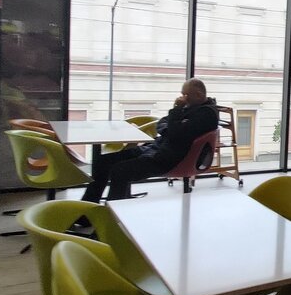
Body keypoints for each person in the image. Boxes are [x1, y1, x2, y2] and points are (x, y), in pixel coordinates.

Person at [82, 78, 219, 202]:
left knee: (120, 171)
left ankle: (114, 214)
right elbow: (162, 123)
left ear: (198, 95)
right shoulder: (192, 108)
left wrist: (176, 110)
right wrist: (171, 127)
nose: (182, 98)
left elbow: (175, 133)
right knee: (103, 161)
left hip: (167, 159)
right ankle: (88, 206)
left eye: (186, 95)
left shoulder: (206, 114)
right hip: (154, 150)